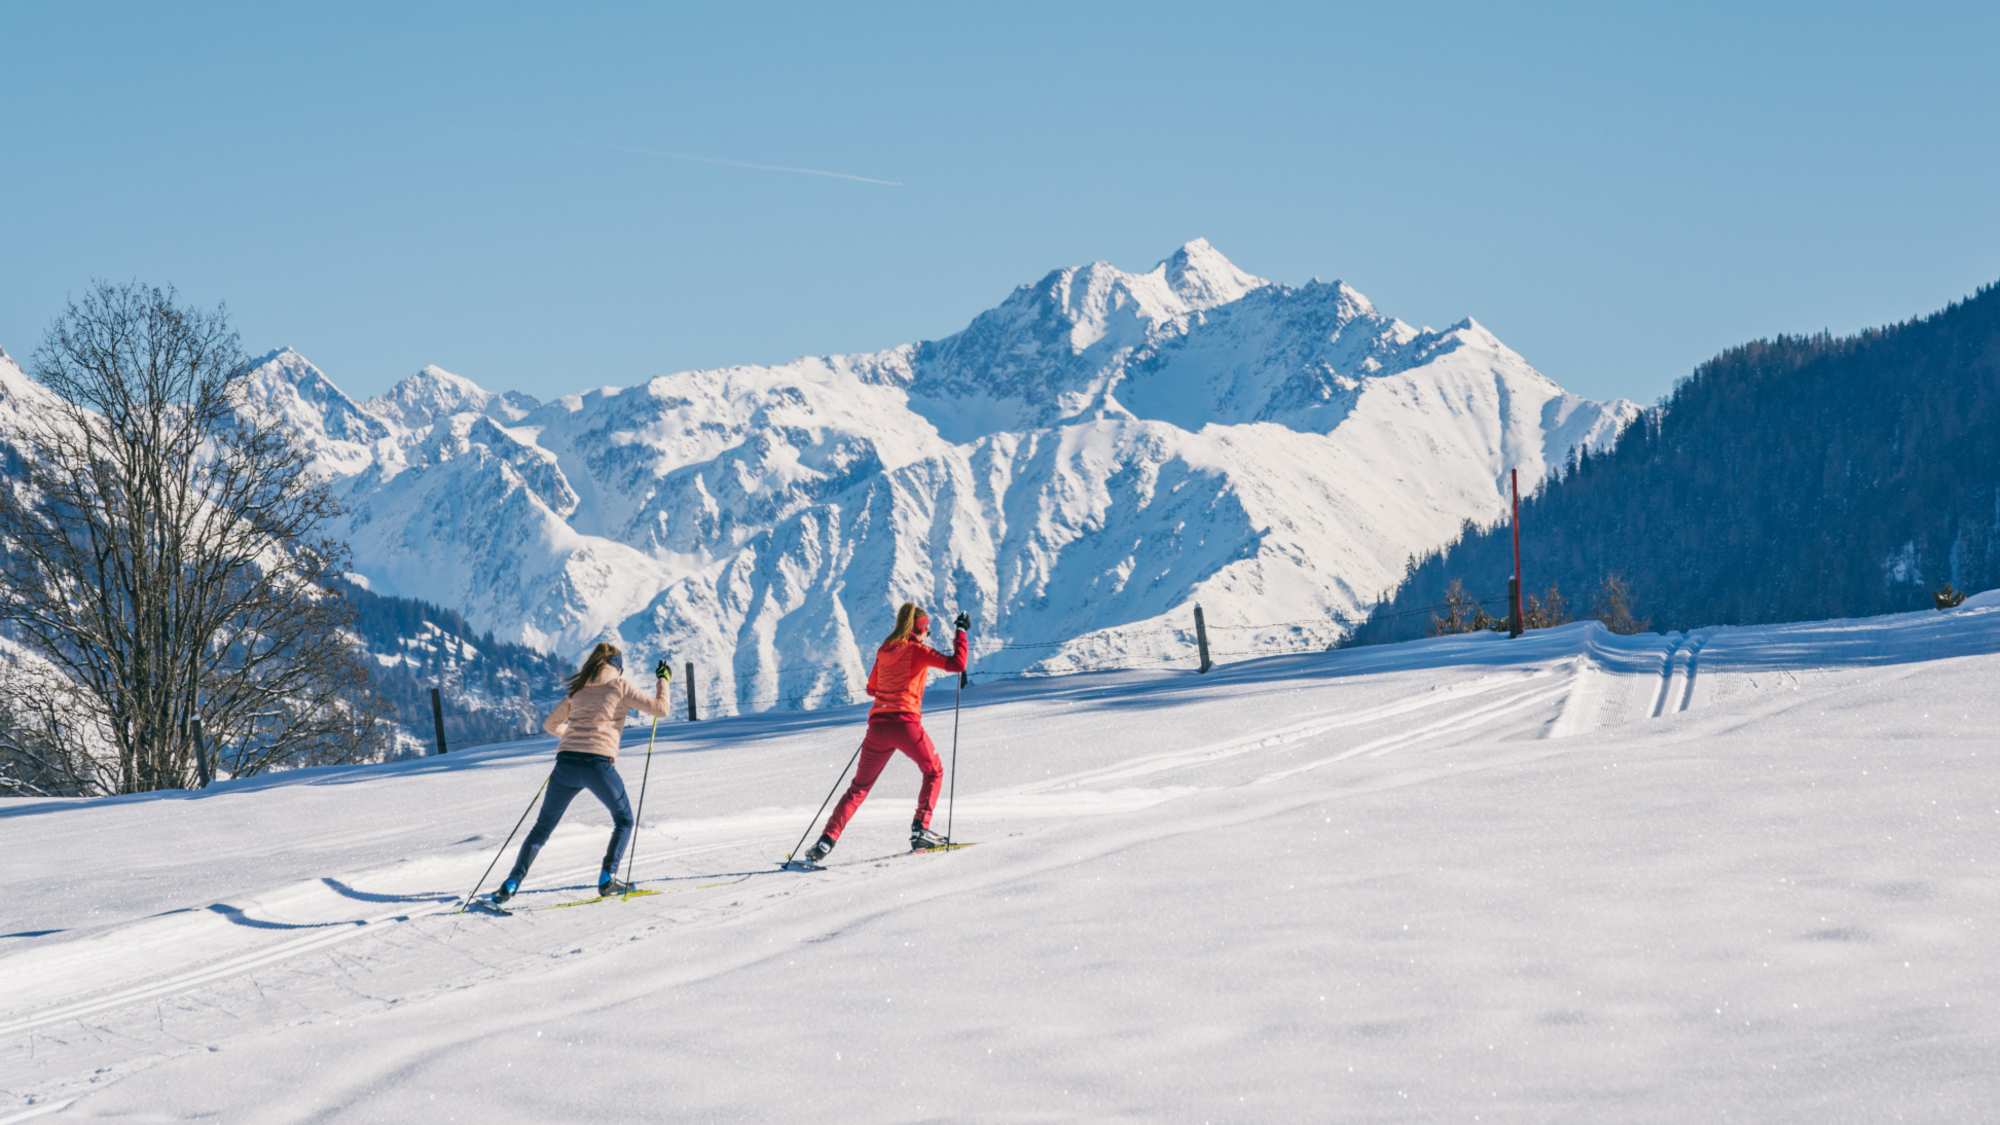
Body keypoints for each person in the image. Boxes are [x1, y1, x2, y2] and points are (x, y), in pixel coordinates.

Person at [488, 643, 673, 907]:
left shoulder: (579, 689)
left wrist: (574, 737)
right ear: (618, 667)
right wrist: (662, 680)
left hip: (565, 765)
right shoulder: (620, 687)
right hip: (597, 766)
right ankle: (607, 879)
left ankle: (510, 885)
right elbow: (661, 709)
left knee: (541, 829)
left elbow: (549, 724)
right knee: (624, 820)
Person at [804, 603, 970, 863]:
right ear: (921, 628)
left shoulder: (885, 650)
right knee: (933, 771)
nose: (929, 635)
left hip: (878, 726)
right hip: (905, 724)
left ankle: (826, 840)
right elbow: (958, 663)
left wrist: (893, 682)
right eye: (928, 630)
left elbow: (872, 688)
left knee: (858, 789)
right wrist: (960, 632)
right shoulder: (918, 650)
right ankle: (920, 830)